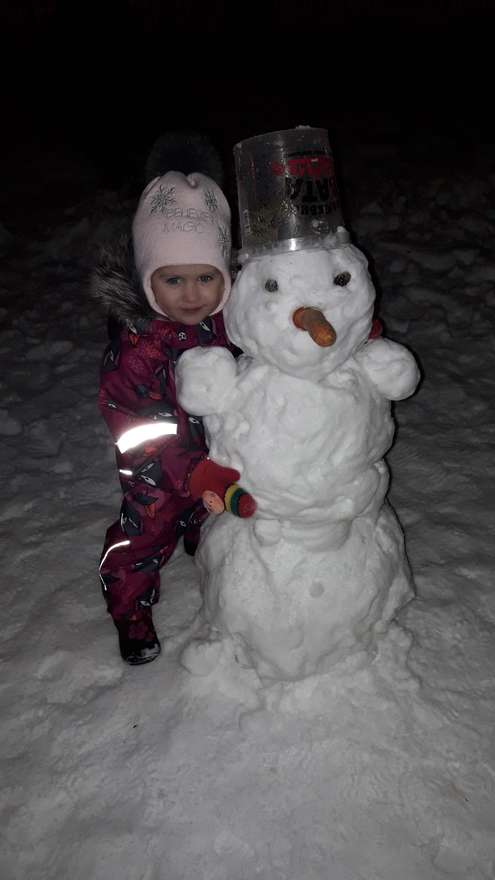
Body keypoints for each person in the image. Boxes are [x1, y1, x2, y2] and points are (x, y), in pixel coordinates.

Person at [92, 135, 255, 666]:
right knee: (145, 539)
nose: (192, 294)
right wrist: (189, 472)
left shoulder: (227, 322)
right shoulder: (137, 349)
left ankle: (197, 534)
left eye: (207, 277)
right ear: (147, 279)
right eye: (174, 279)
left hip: (214, 462)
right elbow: (140, 428)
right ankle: (129, 608)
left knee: (208, 516)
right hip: (156, 473)